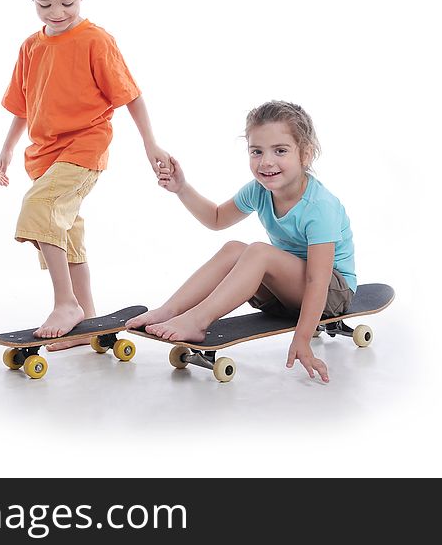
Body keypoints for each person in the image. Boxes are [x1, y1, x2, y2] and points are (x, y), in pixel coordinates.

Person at [0, 0, 169, 350]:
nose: (56, 13)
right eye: (44, 3)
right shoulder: (30, 48)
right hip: (45, 157)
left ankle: (65, 303)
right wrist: (6, 149)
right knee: (67, 233)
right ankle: (86, 320)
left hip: (84, 150)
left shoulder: (94, 41)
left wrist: (151, 145)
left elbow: (131, 97)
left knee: (39, 207)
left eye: (67, 2)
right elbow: (22, 104)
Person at [127, 101, 355, 381]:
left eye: (280, 151)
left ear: (305, 154)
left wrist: (303, 338)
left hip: (331, 294)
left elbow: (317, 281)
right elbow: (216, 218)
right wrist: (182, 188)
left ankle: (199, 321)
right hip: (285, 293)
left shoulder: (320, 206)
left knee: (260, 252)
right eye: (256, 151)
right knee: (235, 248)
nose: (266, 162)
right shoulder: (258, 191)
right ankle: (170, 310)